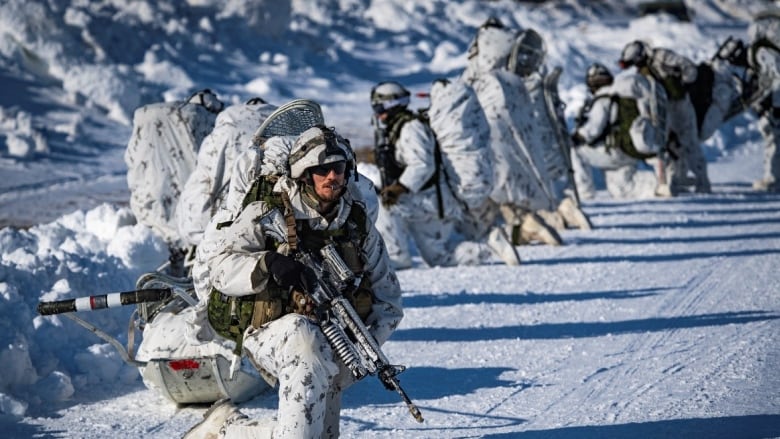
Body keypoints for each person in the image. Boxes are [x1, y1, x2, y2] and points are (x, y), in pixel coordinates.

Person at [183, 124, 404, 438]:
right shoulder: (267, 212)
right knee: (304, 338)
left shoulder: (357, 224)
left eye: (338, 168)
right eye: (322, 169)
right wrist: (266, 263)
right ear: (303, 173)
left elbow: (389, 301)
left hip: (334, 340)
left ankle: (225, 429)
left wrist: (360, 346)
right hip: (271, 331)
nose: (332, 176)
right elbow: (218, 268)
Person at [370, 80, 520, 268]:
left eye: (379, 106)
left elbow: (423, 164)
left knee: (382, 205)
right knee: (441, 258)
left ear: (391, 104)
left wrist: (397, 189)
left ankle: (397, 256)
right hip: (430, 200)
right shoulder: (399, 129)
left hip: (427, 199)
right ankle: (489, 244)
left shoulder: (410, 128)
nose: (378, 113)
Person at [618, 40, 711, 194]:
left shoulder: (661, 56)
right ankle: (673, 179)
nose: (636, 65)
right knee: (666, 144)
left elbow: (689, 67)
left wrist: (682, 85)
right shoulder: (642, 71)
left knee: (689, 143)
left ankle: (703, 182)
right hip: (663, 108)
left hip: (680, 105)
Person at [571, 63, 670, 199]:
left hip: (615, 152)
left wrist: (576, 137)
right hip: (626, 150)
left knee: (575, 151)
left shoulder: (603, 100)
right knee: (621, 190)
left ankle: (584, 193)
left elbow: (593, 129)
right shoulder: (618, 97)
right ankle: (658, 185)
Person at [747, 10, 780, 192]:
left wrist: (764, 101)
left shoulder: (764, 51)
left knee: (773, 137)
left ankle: (773, 178)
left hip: (776, 101)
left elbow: (771, 78)